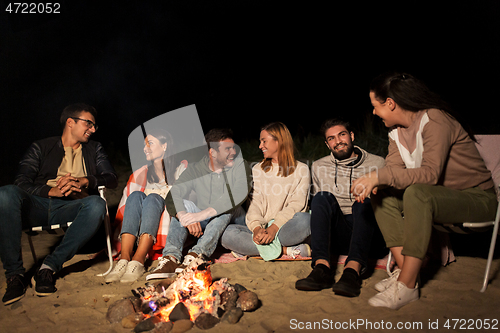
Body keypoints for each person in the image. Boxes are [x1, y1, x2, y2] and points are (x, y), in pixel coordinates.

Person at [352, 72, 497, 309]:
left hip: (478, 199)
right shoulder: (395, 133)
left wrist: (379, 176)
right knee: (381, 197)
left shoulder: (436, 120)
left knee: (417, 192)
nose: (374, 112)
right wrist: (373, 183)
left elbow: (430, 174)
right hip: (440, 198)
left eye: (375, 106)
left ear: (390, 103)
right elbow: (394, 171)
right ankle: (406, 274)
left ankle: (407, 286)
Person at [0, 103, 117, 305]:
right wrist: (50, 191)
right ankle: (14, 275)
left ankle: (49, 267)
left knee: (97, 204)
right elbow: (21, 181)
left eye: (94, 126)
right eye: (89, 124)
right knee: (5, 193)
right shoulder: (41, 147)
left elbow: (111, 178)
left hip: (70, 208)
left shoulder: (94, 149)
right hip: (38, 206)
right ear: (70, 122)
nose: (93, 129)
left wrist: (85, 181)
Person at [295, 119, 385, 297]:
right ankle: (322, 269)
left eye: (342, 135)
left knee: (364, 202)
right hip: (340, 236)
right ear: (327, 144)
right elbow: (321, 211)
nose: (338, 141)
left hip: (370, 236)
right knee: (321, 198)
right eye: (331, 138)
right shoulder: (319, 166)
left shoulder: (378, 163)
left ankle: (352, 272)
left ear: (351, 136)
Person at [146, 128, 250, 280]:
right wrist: (184, 217)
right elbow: (174, 194)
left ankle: (197, 254)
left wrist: (201, 215)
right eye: (228, 149)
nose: (233, 152)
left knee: (226, 208)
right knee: (184, 204)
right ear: (213, 152)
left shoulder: (239, 165)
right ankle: (171, 258)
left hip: (236, 219)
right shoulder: (195, 169)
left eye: (233, 147)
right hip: (207, 221)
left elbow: (237, 194)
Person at [106, 129, 186, 283]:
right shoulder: (143, 173)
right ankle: (124, 259)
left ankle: (138, 260)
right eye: (144, 145)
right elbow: (127, 204)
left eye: (150, 144)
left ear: (164, 146)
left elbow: (182, 199)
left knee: (153, 198)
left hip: (165, 218)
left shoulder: (180, 171)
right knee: (135, 195)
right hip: (142, 220)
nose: (145, 148)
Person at [221, 122, 311, 260]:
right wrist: (257, 228)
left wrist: (274, 228)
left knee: (306, 220)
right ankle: (287, 250)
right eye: (260, 141)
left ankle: (250, 249)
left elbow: (297, 205)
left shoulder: (302, 169)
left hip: (284, 228)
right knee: (226, 233)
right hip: (263, 229)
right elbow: (255, 203)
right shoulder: (257, 169)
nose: (260, 146)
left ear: (279, 141)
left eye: (264, 141)